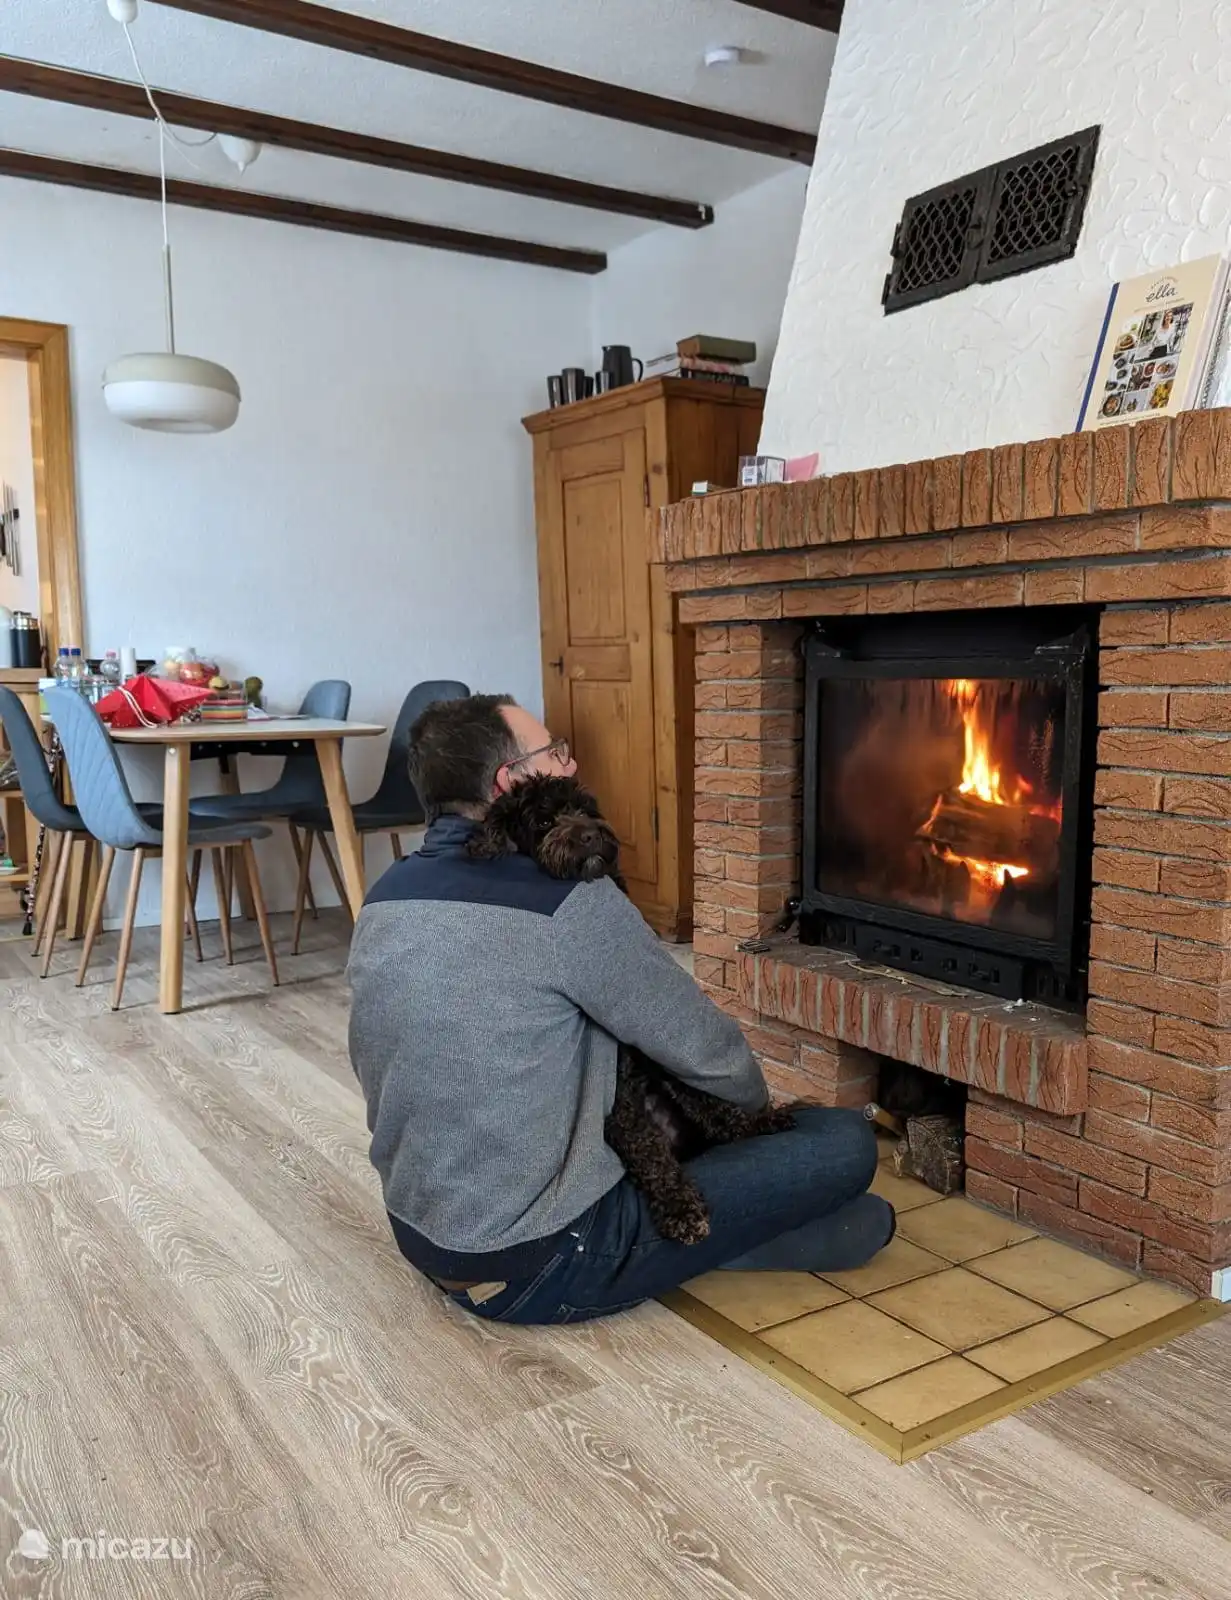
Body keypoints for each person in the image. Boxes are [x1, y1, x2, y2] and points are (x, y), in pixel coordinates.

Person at [348, 694, 893, 1325]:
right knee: (846, 1146)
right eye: (553, 752)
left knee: (846, 1214)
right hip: (542, 1256)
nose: (571, 762)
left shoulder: (385, 896)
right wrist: (748, 1129)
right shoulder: (563, 899)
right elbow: (705, 1051)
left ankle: (713, 1240)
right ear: (510, 780)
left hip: (424, 1235)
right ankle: (688, 1248)